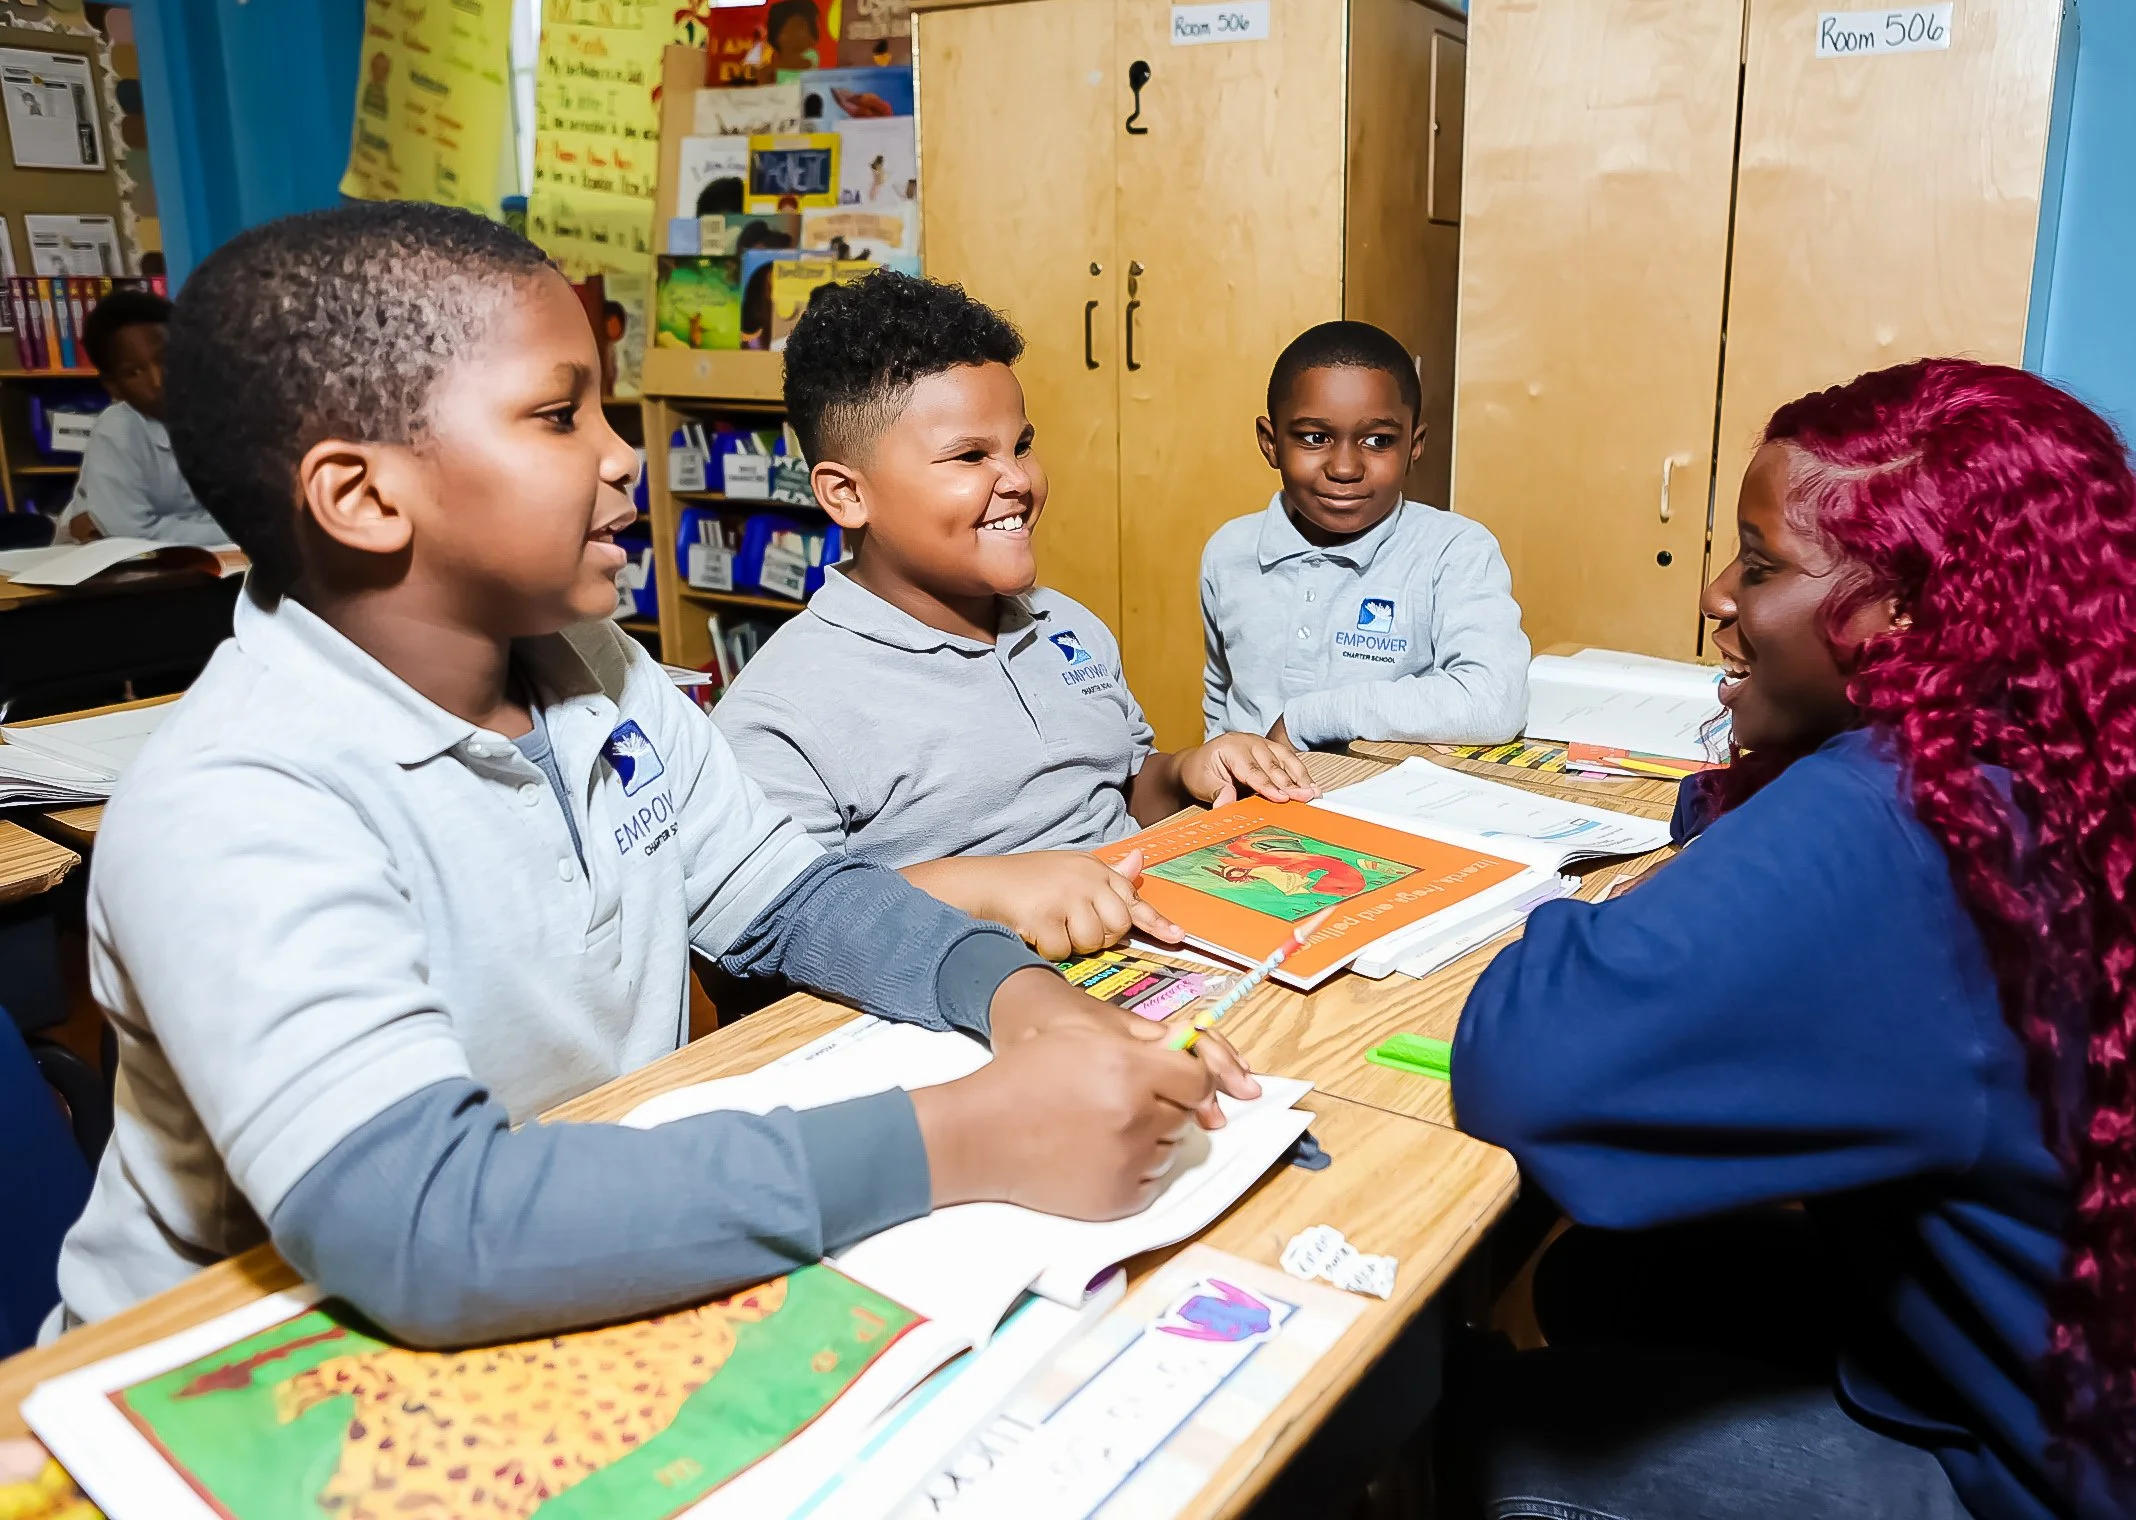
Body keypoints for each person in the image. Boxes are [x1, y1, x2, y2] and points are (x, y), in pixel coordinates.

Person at [49, 202, 1259, 1346]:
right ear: (363, 496)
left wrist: (1030, 1007)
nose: (626, 459)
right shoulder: (235, 805)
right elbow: (421, 1220)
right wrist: (967, 1135)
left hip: (606, 1227)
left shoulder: (595, 669)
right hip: (240, 1373)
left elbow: (796, 897)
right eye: (558, 417)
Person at [1447, 359, 2136, 1517]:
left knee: (1494, 1437)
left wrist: (1569, 914)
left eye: (1760, 565)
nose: (1716, 593)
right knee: (1621, 1275)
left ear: (1903, 610)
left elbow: (1531, 1067)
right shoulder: (2062, 768)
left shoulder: (1896, 819)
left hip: (2120, 1489)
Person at [712, 270, 1319, 960]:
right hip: (969, 992)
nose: (1021, 481)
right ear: (848, 495)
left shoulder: (1067, 625)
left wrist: (1184, 771)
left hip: (1155, 942)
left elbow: (1121, 784)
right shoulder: (782, 710)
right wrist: (994, 887)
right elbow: (779, 920)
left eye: (1021, 445)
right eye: (971, 455)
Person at [1200, 321, 1527, 751]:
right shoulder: (1229, 550)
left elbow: (1492, 701)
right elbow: (1221, 700)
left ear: (1414, 445)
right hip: (1247, 808)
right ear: (1270, 442)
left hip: (1377, 803)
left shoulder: (1454, 551)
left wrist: (1308, 718)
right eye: (1315, 438)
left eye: (1377, 440)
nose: (1345, 468)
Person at [56, 289, 228, 547]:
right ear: (113, 386)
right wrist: (232, 533)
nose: (158, 382)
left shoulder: (220, 413)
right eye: (132, 372)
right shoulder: (117, 430)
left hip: (204, 564)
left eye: (166, 359)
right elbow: (130, 534)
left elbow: (249, 509)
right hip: (107, 573)